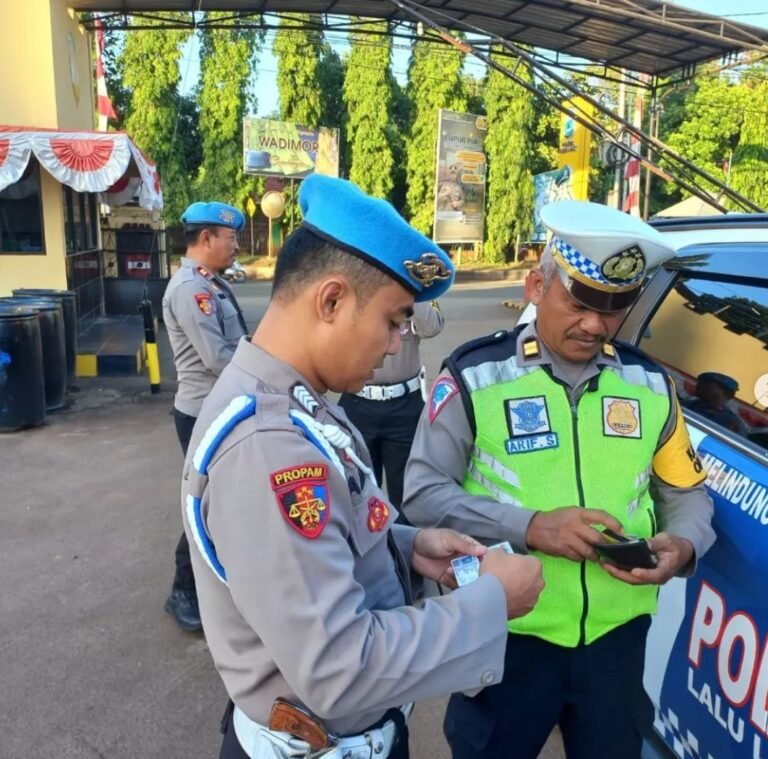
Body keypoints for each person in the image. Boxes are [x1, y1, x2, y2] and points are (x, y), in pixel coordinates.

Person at [180, 174, 545, 759]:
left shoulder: (299, 403)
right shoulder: (270, 446)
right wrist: (490, 603)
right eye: (394, 320)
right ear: (330, 301)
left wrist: (409, 547)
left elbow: (324, 546)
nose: (396, 342)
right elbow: (338, 666)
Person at [403, 200, 717, 759]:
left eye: (615, 308)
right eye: (579, 302)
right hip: (507, 632)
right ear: (534, 286)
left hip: (616, 643)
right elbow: (425, 495)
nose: (595, 324)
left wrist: (685, 542)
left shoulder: (648, 385)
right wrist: (531, 527)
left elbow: (685, 490)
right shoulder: (476, 375)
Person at [162, 201, 248, 632]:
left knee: (225, 500)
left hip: (220, 409)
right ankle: (182, 592)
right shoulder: (189, 290)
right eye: (230, 237)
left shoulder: (209, 284)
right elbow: (218, 357)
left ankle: (219, 583)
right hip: (202, 414)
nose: (235, 245)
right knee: (206, 502)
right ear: (207, 238)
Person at [338, 299, 443, 516]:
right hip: (358, 404)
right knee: (357, 492)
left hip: (405, 406)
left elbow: (431, 327)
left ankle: (405, 547)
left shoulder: (413, 291)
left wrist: (413, 286)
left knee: (407, 493)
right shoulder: (355, 284)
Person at [684, 371, 748, 435]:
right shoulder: (689, 405)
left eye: (707, 384)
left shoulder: (732, 422)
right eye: (701, 383)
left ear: (724, 392)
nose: (699, 386)